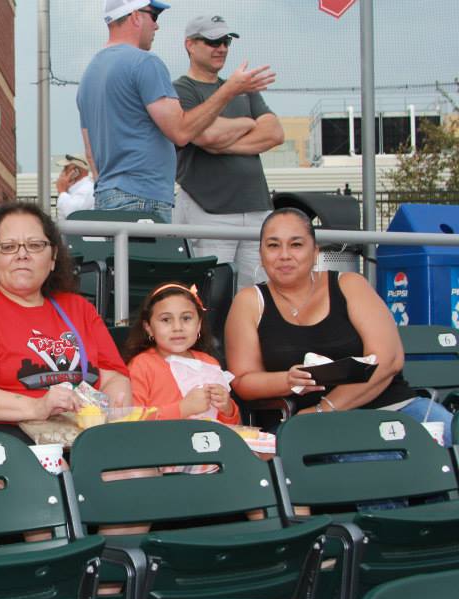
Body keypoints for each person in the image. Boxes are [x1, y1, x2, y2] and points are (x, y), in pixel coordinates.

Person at [225, 208, 453, 442]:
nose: (284, 255)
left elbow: (388, 359)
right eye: (273, 245)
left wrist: (324, 409)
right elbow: (243, 381)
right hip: (312, 429)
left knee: (448, 438)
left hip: (393, 409)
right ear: (261, 254)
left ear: (315, 252)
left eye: (296, 245)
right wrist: (288, 380)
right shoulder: (249, 302)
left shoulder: (349, 285)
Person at [0, 202, 131, 443]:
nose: (22, 254)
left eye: (35, 245)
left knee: (132, 469)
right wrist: (37, 407)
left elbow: (115, 378)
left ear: (53, 257)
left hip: (80, 435)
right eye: (8, 247)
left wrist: (104, 418)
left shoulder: (79, 308)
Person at [76, 0, 275, 222]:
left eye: (225, 42)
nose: (157, 26)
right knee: (148, 258)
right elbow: (180, 132)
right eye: (154, 15)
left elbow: (91, 153)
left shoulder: (90, 74)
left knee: (120, 258)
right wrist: (231, 94)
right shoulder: (145, 62)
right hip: (143, 198)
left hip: (106, 195)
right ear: (134, 17)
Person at [172, 15, 284, 289]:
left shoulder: (242, 88)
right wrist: (248, 124)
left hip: (256, 208)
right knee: (211, 296)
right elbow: (204, 134)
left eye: (225, 41)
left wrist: (222, 142)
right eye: (212, 41)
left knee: (258, 295)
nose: (221, 48)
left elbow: (274, 133)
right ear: (190, 44)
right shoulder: (180, 89)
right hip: (209, 209)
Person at [124, 282, 239, 424]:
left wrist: (227, 408)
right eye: (166, 320)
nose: (177, 327)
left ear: (198, 325)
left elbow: (230, 427)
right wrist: (182, 409)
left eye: (186, 318)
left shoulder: (209, 363)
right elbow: (130, 421)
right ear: (149, 328)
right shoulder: (141, 366)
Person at [55, 154, 95, 219]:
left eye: (66, 168)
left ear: (76, 171)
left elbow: (72, 214)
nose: (62, 172)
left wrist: (62, 191)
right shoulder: (79, 187)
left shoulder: (87, 188)